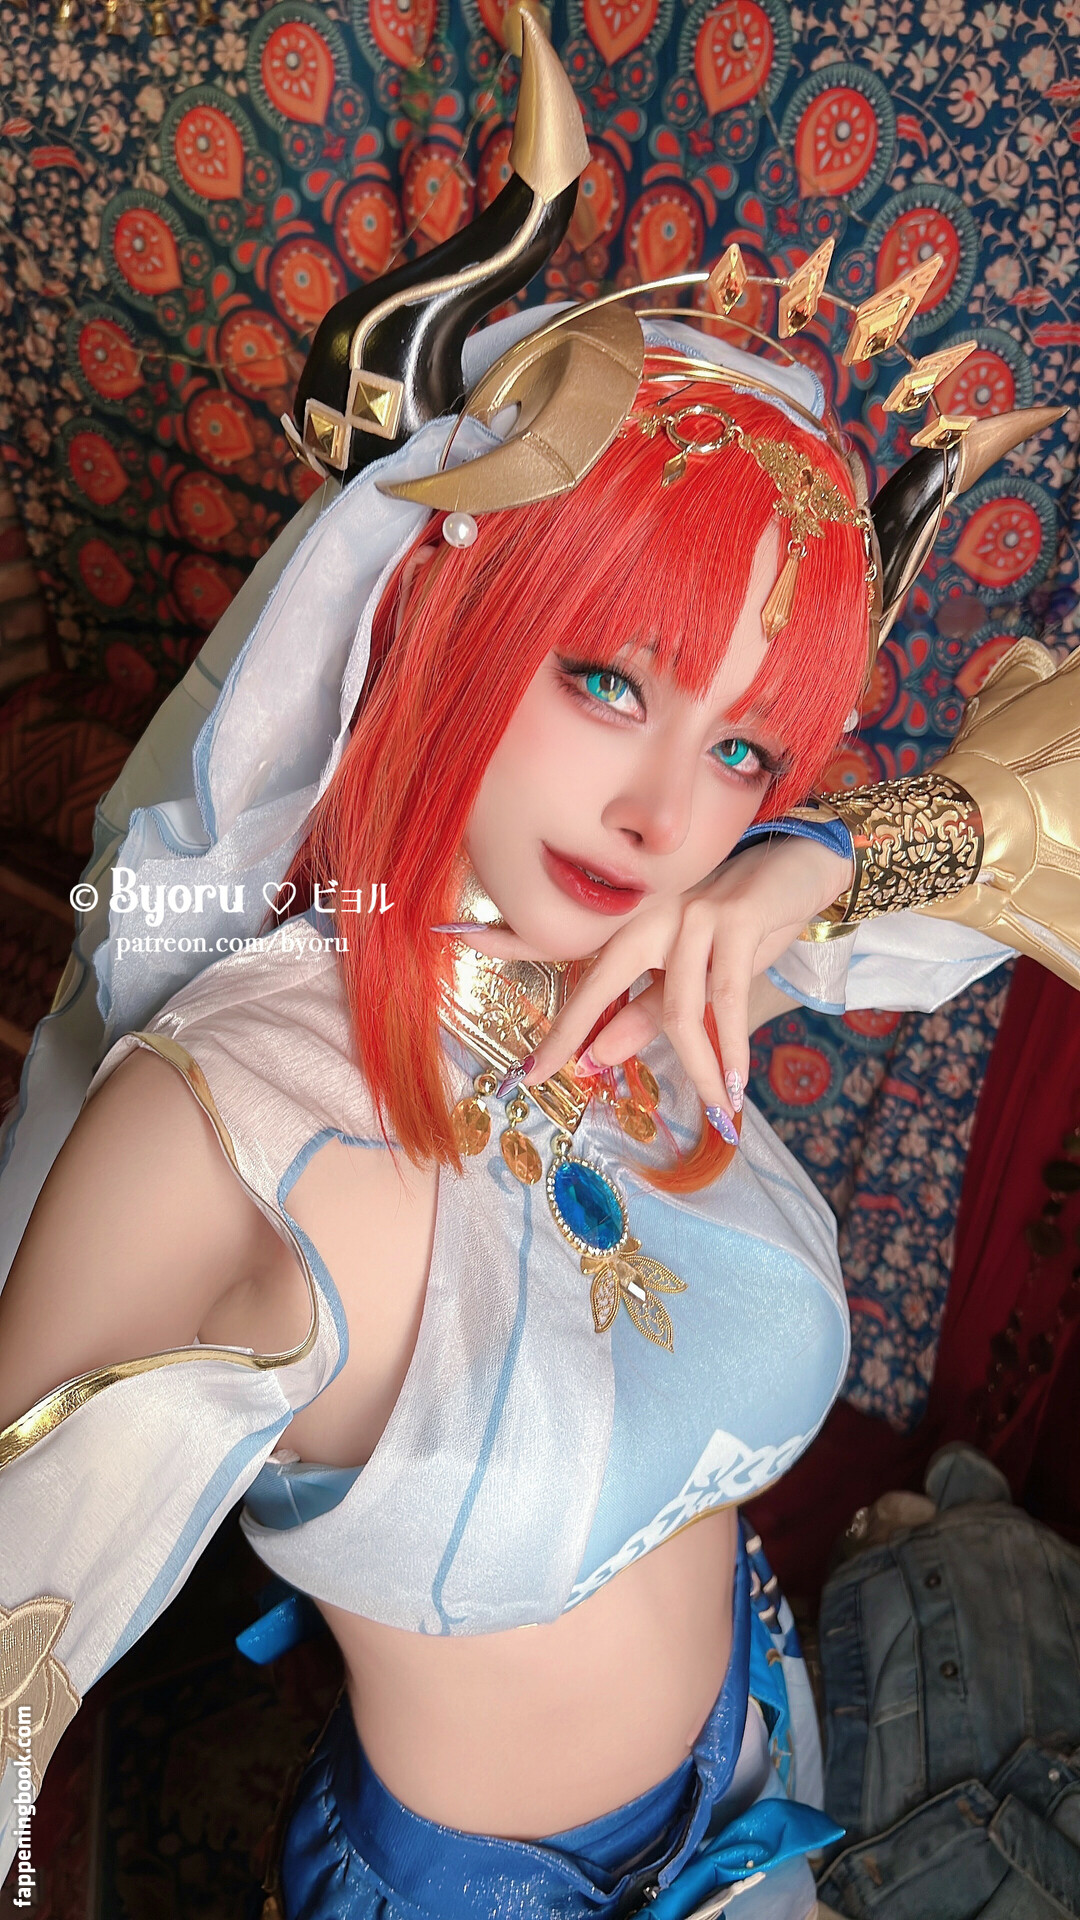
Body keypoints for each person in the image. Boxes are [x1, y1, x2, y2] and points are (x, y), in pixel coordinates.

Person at [0, 12, 1077, 1918]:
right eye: (607, 679)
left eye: (742, 747)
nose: (667, 814)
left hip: (769, 1771)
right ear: (439, 608)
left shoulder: (680, 958)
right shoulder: (225, 1120)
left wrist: (817, 861)